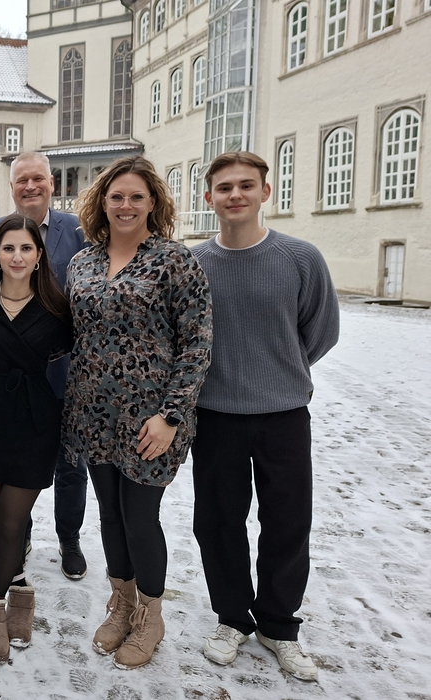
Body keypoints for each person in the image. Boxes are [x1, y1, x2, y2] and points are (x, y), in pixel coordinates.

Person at [191, 152, 339, 682]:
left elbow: (320, 331)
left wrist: (281, 370)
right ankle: (232, 617)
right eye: (224, 187)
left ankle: (279, 625)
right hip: (215, 415)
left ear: (265, 192)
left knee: (288, 522)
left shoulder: (299, 258)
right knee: (218, 522)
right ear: (209, 198)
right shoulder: (195, 264)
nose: (235, 195)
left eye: (246, 185)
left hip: (283, 415)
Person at [63, 155, 213, 670]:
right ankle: (122, 603)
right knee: (109, 513)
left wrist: (171, 415)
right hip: (93, 412)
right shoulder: (83, 262)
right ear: (101, 202)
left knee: (141, 517)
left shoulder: (175, 260)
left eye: (136, 197)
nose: (125, 205)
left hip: (151, 417)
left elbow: (197, 344)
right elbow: (71, 332)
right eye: (116, 196)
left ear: (153, 204)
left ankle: (151, 615)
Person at [0, 214, 72, 664]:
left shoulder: (57, 307)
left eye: (26, 248)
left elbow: (77, 353)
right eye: (9, 248)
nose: (17, 256)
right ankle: (20, 586)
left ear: (39, 256)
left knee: (11, 522)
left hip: (35, 420)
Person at [0, 152, 90, 580]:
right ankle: (17, 539)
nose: (30, 186)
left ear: (51, 183)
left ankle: (69, 538)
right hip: (11, 383)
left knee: (71, 466)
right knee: (14, 467)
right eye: (21, 179)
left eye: (37, 178)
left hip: (66, 375)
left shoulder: (79, 231)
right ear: (11, 187)